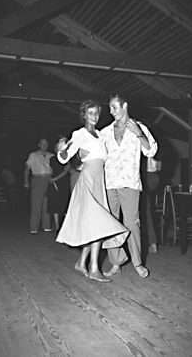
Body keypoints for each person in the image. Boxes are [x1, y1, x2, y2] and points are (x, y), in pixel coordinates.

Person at [55, 99, 129, 283]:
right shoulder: (80, 134)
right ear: (84, 115)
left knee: (94, 225)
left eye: (96, 113)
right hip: (88, 180)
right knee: (97, 223)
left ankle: (81, 262)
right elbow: (64, 157)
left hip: (99, 181)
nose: (94, 116)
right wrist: (62, 150)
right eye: (90, 113)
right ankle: (94, 268)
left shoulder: (99, 135)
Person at [100, 94, 158, 279]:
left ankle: (137, 262)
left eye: (114, 107)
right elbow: (96, 154)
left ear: (125, 105)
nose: (111, 111)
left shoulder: (138, 127)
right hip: (109, 182)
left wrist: (139, 133)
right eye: (110, 108)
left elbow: (151, 150)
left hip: (129, 182)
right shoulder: (105, 132)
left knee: (132, 223)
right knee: (111, 223)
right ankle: (116, 262)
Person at [24, 138, 54, 234]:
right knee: (36, 204)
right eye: (42, 144)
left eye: (46, 144)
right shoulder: (33, 155)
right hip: (38, 179)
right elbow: (27, 168)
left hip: (49, 180)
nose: (44, 146)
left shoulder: (51, 156)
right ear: (39, 145)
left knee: (47, 204)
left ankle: (46, 226)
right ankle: (34, 227)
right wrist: (26, 181)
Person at [141, 157, 162, 253]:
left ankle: (149, 244)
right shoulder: (157, 145)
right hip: (155, 177)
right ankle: (153, 243)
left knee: (143, 211)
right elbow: (159, 168)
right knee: (146, 209)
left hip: (145, 176)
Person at [46, 154, 70, 233]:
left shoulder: (66, 156)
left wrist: (56, 178)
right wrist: (50, 178)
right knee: (55, 204)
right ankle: (57, 226)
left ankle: (66, 227)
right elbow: (50, 169)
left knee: (64, 203)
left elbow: (67, 170)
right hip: (54, 182)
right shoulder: (52, 158)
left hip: (64, 181)